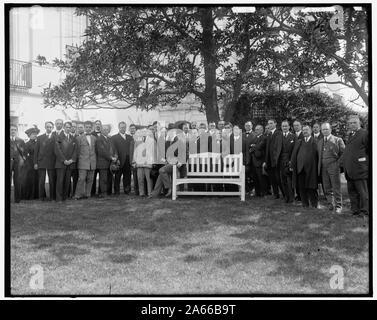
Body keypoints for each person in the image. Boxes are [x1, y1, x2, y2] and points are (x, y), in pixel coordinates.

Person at [342, 115, 369, 216]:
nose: (352, 124)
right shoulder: (350, 135)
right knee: (352, 192)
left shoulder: (365, 134)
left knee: (363, 193)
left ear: (359, 123)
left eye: (354, 122)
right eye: (350, 123)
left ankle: (365, 211)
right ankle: (355, 210)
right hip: (349, 170)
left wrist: (364, 162)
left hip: (360, 169)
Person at [318, 122, 345, 214]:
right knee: (327, 187)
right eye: (323, 129)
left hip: (334, 166)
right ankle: (330, 204)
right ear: (321, 131)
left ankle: (338, 206)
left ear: (330, 129)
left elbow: (344, 154)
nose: (324, 131)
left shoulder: (338, 140)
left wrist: (337, 164)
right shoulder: (320, 141)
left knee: (336, 187)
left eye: (326, 129)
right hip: (323, 168)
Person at [291, 125, 318, 208]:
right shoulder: (299, 142)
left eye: (306, 130)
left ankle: (314, 204)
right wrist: (293, 165)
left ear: (310, 131)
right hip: (300, 168)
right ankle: (305, 204)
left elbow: (317, 155)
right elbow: (294, 155)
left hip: (311, 169)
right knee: (301, 187)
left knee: (311, 187)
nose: (305, 131)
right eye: (303, 130)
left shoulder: (315, 141)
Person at [54, 121, 77, 202]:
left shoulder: (73, 138)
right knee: (60, 181)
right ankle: (59, 198)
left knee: (67, 181)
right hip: (61, 163)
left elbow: (75, 150)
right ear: (64, 127)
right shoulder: (58, 136)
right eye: (66, 127)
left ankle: (65, 197)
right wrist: (64, 160)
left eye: (69, 127)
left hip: (70, 163)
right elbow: (57, 150)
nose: (68, 128)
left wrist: (71, 160)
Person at [74, 121, 97, 199]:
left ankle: (88, 194)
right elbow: (77, 151)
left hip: (92, 162)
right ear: (84, 128)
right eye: (86, 127)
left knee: (90, 179)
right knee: (81, 179)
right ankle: (77, 195)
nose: (88, 129)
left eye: (89, 127)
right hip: (83, 162)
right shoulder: (79, 138)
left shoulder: (94, 138)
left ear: (92, 128)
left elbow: (95, 150)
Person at [34, 121, 56, 201]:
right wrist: (35, 163)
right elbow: (36, 151)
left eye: (50, 127)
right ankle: (41, 197)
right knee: (41, 181)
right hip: (41, 162)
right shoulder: (40, 137)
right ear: (45, 127)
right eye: (47, 127)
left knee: (52, 180)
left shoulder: (55, 137)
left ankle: (52, 197)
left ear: (52, 128)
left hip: (51, 162)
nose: (49, 128)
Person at [111, 121, 133, 195]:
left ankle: (127, 190)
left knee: (127, 176)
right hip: (119, 160)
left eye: (124, 127)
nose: (123, 128)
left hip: (128, 160)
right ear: (119, 128)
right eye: (121, 127)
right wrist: (116, 159)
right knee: (117, 176)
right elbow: (113, 149)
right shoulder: (114, 138)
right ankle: (117, 191)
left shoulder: (130, 137)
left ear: (126, 128)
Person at [264, 119, 283, 199]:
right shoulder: (269, 134)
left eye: (271, 123)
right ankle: (276, 194)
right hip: (269, 161)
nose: (269, 125)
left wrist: (276, 159)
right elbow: (267, 149)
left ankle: (285, 194)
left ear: (275, 124)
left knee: (279, 179)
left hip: (276, 160)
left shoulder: (279, 133)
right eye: (268, 124)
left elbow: (278, 148)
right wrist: (266, 161)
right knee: (272, 179)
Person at [95, 124, 117, 198]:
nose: (105, 130)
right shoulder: (99, 139)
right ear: (101, 130)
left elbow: (114, 149)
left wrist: (116, 156)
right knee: (103, 179)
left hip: (110, 163)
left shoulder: (110, 139)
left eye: (107, 129)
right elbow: (102, 151)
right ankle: (103, 193)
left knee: (109, 178)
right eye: (104, 129)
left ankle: (108, 192)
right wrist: (111, 157)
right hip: (103, 162)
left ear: (109, 130)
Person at [133, 129, 155, 197]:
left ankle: (149, 193)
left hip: (148, 162)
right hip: (139, 162)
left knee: (148, 178)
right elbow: (135, 151)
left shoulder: (152, 140)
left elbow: (154, 152)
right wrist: (134, 161)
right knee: (140, 178)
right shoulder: (137, 140)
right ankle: (141, 193)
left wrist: (153, 162)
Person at [279, 120, 296, 203]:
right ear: (281, 127)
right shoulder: (278, 137)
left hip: (289, 161)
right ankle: (286, 197)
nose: (284, 127)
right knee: (283, 180)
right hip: (280, 162)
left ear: (289, 127)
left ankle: (291, 197)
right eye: (283, 126)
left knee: (289, 181)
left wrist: (291, 161)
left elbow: (295, 151)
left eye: (286, 126)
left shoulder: (293, 137)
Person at [21, 126, 40, 200]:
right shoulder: (27, 144)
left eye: (35, 134)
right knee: (30, 179)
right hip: (29, 163)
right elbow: (25, 154)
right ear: (29, 135)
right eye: (33, 134)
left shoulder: (38, 143)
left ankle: (37, 195)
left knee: (37, 178)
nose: (35, 135)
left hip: (38, 162)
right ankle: (29, 195)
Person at [249, 125, 267, 197]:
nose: (256, 131)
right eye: (255, 129)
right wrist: (254, 146)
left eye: (258, 129)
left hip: (260, 161)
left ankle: (264, 193)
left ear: (262, 130)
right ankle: (257, 192)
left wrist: (253, 147)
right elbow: (250, 146)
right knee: (255, 178)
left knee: (261, 178)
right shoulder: (254, 138)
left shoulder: (264, 138)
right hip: (253, 160)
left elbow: (260, 146)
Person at [10, 124, 26, 203]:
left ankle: (17, 199)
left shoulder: (21, 140)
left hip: (18, 163)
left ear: (17, 131)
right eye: (11, 129)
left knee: (17, 180)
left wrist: (23, 160)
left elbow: (24, 152)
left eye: (14, 130)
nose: (13, 131)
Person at [242, 121, 255, 193]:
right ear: (244, 126)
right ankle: (246, 189)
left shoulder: (255, 134)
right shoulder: (241, 135)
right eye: (246, 125)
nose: (247, 127)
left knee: (252, 174)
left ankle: (253, 189)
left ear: (252, 126)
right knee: (244, 174)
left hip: (252, 157)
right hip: (243, 158)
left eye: (249, 125)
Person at [91, 120, 102, 196]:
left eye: (99, 124)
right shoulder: (91, 134)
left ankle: (101, 192)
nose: (98, 125)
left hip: (102, 159)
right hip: (93, 159)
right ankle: (92, 192)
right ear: (94, 125)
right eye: (96, 124)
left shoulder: (104, 134)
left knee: (102, 177)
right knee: (93, 176)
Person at [129, 124, 139, 195]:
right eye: (131, 128)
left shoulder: (139, 138)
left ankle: (138, 190)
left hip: (137, 159)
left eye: (133, 128)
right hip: (130, 159)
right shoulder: (128, 137)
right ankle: (136, 190)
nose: (132, 130)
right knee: (134, 176)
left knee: (138, 176)